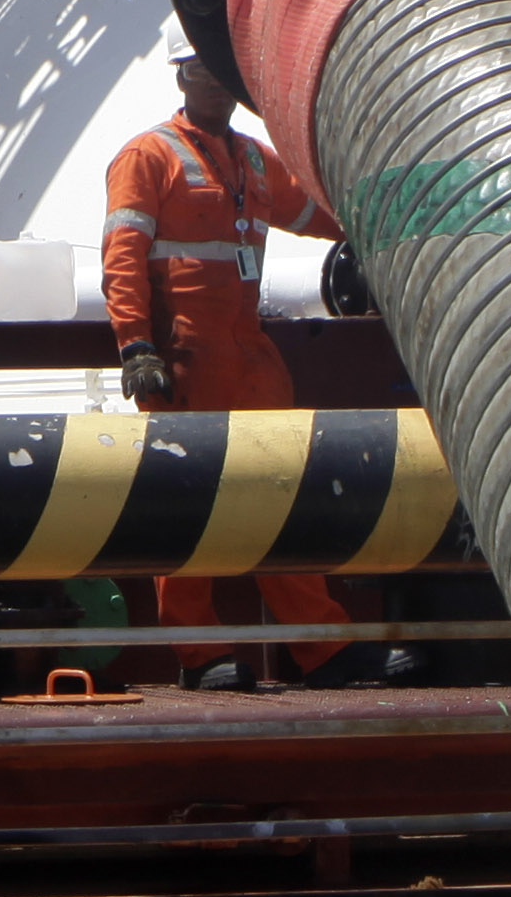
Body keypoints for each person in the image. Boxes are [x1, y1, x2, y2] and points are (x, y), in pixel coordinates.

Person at [102, 51, 358, 688]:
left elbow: (310, 212)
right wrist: (137, 346)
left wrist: (374, 224)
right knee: (189, 508)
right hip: (184, 361)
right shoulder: (148, 158)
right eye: (202, 70)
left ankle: (322, 648)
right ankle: (199, 653)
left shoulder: (251, 159)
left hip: (248, 359)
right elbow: (123, 255)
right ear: (181, 77)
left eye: (223, 71)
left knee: (281, 493)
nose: (214, 82)